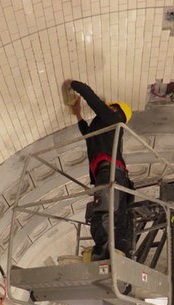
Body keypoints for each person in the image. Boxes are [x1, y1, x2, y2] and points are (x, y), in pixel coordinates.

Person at [65, 79, 134, 261]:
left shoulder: (113, 119)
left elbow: (92, 98)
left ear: (117, 111)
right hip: (111, 174)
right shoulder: (104, 129)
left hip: (111, 173)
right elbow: (88, 135)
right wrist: (78, 115)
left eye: (110, 107)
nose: (107, 108)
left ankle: (106, 253)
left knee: (105, 213)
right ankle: (112, 253)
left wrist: (74, 85)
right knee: (113, 215)